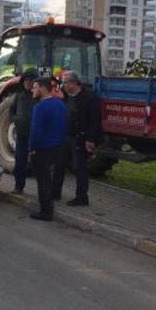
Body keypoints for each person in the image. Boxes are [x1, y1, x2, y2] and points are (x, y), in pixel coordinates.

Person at [52, 70, 102, 206]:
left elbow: (95, 121)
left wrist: (90, 140)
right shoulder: (66, 97)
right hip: (65, 136)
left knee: (80, 168)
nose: (63, 86)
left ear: (74, 83)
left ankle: (81, 197)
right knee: (59, 165)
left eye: (65, 83)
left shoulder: (90, 98)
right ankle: (55, 193)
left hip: (80, 138)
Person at [29, 77, 67, 221]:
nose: (32, 90)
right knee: (53, 177)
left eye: (35, 87)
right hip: (58, 146)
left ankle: (46, 211)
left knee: (43, 180)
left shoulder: (39, 107)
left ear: (43, 89)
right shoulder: (61, 105)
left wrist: (32, 147)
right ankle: (52, 200)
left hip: (43, 148)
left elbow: (36, 131)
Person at [9, 68, 38, 194]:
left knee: (38, 163)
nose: (28, 83)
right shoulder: (19, 96)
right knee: (20, 160)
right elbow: (12, 110)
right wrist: (15, 120)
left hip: (35, 134)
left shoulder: (38, 96)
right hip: (21, 133)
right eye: (26, 80)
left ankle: (42, 190)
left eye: (30, 80)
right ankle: (18, 186)